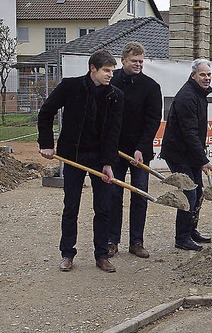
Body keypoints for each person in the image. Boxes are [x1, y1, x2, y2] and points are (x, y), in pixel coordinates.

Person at [37, 49, 124, 273]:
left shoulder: (115, 95)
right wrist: (46, 144)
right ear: (92, 69)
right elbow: (46, 112)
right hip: (73, 155)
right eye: (106, 71)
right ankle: (67, 253)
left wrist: (108, 163)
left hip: (100, 157)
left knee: (103, 207)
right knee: (71, 206)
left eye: (112, 71)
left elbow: (114, 132)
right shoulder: (70, 86)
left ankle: (102, 255)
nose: (110, 75)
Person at [107, 42, 162, 259]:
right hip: (115, 151)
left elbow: (152, 121)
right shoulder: (111, 83)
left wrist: (141, 148)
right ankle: (112, 240)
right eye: (134, 61)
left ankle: (136, 241)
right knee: (113, 195)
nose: (138, 64)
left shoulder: (151, 86)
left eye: (141, 61)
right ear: (123, 61)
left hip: (140, 151)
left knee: (139, 195)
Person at [160, 58, 212, 251]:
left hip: (190, 153)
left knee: (198, 192)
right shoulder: (187, 97)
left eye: (208, 74)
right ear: (193, 75)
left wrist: (200, 156)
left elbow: (196, 132)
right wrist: (203, 160)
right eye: (202, 74)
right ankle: (181, 237)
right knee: (190, 193)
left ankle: (191, 230)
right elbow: (189, 132)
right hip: (178, 154)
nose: (206, 78)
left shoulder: (199, 94)